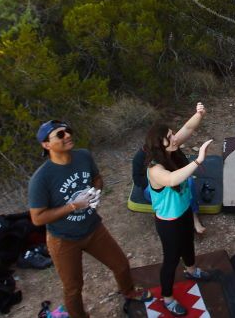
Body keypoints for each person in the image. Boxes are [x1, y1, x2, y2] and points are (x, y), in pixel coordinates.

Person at [28, 120, 150, 318]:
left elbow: (97, 178)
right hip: (63, 239)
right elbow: (37, 218)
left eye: (68, 131)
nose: (67, 135)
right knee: (73, 288)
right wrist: (74, 206)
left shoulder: (83, 156)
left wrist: (95, 192)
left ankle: (128, 291)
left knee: (121, 265)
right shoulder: (41, 178)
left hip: (93, 229)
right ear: (46, 144)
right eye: (59, 135)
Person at [145, 103, 213, 316]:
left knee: (188, 244)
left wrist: (199, 114)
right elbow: (172, 178)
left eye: (173, 135)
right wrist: (199, 160)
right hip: (168, 222)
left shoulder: (171, 148)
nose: (175, 138)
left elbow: (189, 128)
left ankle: (192, 271)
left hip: (183, 212)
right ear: (159, 145)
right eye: (170, 137)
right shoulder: (155, 169)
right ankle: (167, 298)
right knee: (171, 259)